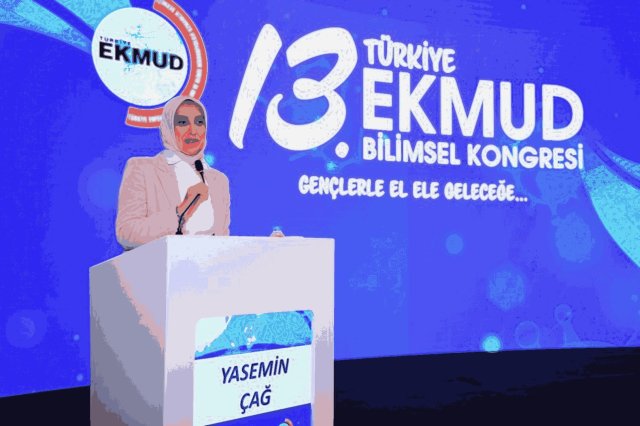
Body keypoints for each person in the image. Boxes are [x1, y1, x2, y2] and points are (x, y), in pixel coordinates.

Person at [116, 96, 230, 250]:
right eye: (182, 123)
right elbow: (127, 233)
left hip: (209, 264)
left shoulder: (218, 181)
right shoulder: (143, 169)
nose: (193, 131)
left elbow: (224, 243)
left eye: (199, 122)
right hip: (160, 263)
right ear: (168, 127)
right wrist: (181, 210)